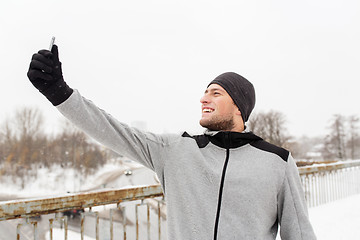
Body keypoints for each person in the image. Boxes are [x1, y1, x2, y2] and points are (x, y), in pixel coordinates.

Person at [27, 45, 316, 240]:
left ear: (239, 106)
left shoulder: (277, 162)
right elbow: (111, 130)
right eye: (204, 92)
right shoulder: (176, 151)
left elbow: (300, 233)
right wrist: (60, 93)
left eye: (216, 93)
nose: (204, 98)